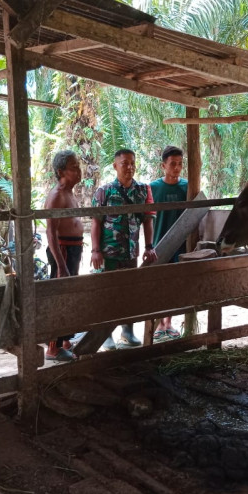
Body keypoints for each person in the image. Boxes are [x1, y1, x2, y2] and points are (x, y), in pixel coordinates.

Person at [91, 149, 157, 350]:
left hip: (131, 253)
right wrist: (95, 250)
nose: (129, 167)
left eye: (132, 163)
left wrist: (149, 246)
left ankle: (127, 332)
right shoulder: (104, 191)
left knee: (129, 291)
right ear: (115, 166)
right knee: (107, 292)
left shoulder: (143, 190)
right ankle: (106, 335)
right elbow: (96, 223)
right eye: (124, 163)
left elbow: (148, 221)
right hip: (109, 254)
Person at [44, 150, 84, 362]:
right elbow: (51, 233)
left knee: (69, 295)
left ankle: (65, 339)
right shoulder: (57, 195)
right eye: (73, 167)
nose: (79, 171)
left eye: (78, 166)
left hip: (73, 249)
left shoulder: (70, 193)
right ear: (61, 171)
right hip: (63, 249)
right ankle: (53, 347)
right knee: (60, 296)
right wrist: (60, 264)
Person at [149, 145, 188, 341]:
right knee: (158, 285)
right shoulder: (153, 188)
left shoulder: (187, 187)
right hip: (158, 245)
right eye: (173, 164)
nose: (177, 168)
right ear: (163, 165)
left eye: (180, 164)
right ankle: (158, 325)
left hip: (180, 245)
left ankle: (169, 323)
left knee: (174, 285)